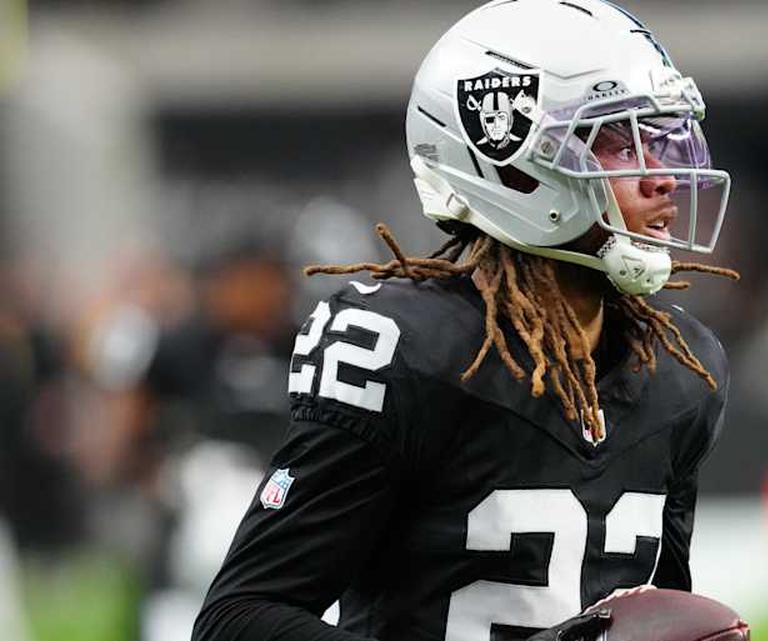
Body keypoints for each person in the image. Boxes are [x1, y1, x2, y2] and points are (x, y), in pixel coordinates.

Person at [192, 1, 737, 640]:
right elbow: (239, 619)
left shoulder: (679, 371)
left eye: (664, 137)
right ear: (511, 162)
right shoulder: (406, 352)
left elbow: (648, 612)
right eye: (619, 142)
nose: (664, 176)